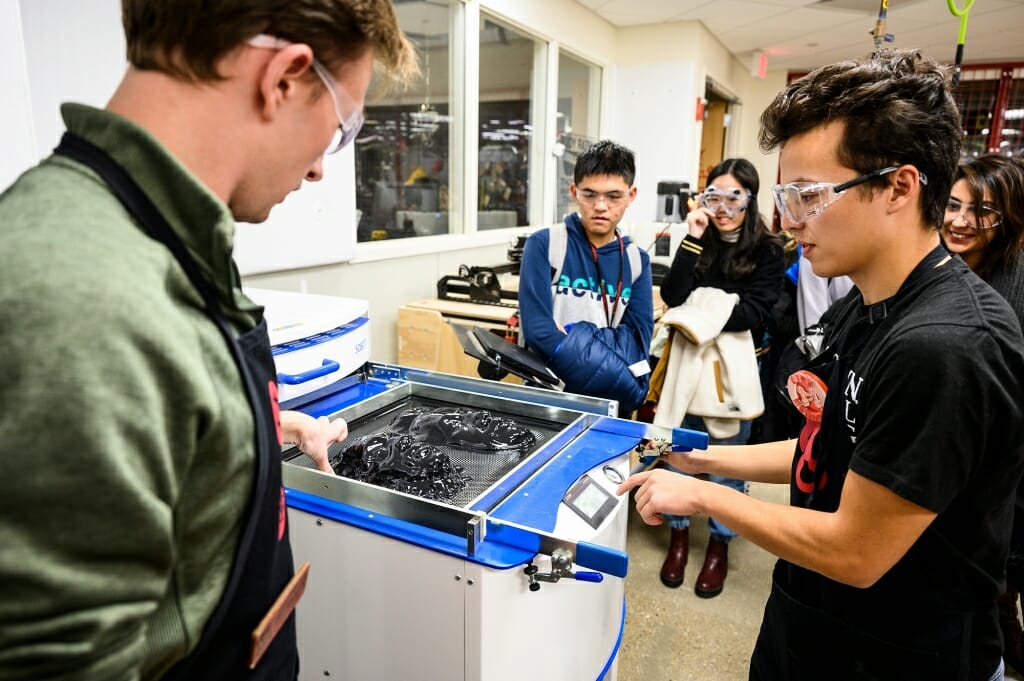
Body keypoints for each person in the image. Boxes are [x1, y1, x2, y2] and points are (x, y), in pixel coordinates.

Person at [0, 2, 415, 680]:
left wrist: (258, 426)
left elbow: (149, 413)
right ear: (284, 77)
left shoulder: (163, 235)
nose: (319, 170)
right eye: (342, 128)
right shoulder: (72, 295)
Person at [619, 49, 1024, 681]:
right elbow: (829, 446)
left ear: (898, 186)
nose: (786, 219)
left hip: (899, 654)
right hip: (815, 624)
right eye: (785, 195)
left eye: (807, 195)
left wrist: (702, 496)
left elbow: (857, 550)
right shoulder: (866, 305)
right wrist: (698, 458)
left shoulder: (944, 345)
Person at [650, 158, 784, 596]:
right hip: (686, 367)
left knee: (728, 460)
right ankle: (679, 534)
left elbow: (753, 312)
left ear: (750, 198)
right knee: (679, 453)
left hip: (734, 371)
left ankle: (719, 547)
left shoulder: (768, 248)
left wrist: (698, 307)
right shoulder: (698, 238)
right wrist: (691, 236)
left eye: (734, 197)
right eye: (714, 196)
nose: (723, 207)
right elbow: (672, 295)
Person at [940, 155, 1024, 673]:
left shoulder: (1012, 292)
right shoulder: (939, 270)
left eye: (983, 211)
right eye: (953, 205)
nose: (961, 220)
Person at [518, 139, 654, 415]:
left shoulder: (637, 261)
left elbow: (637, 343)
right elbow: (538, 333)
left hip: (608, 407)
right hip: (547, 399)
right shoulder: (546, 245)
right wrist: (611, 350)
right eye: (589, 194)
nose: (601, 206)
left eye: (614, 196)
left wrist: (570, 341)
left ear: (631, 195)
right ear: (574, 192)